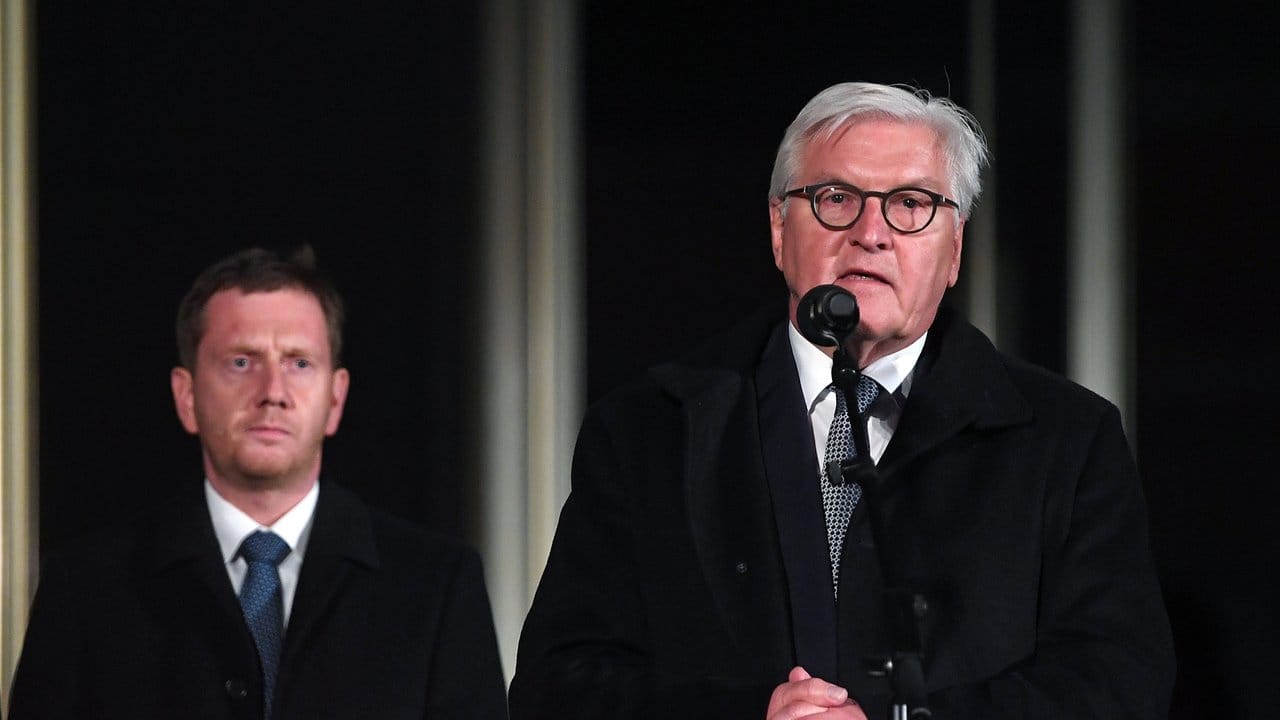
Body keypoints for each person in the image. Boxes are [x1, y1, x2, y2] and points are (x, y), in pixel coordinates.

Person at [508, 82, 1174, 719]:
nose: (872, 232)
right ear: (777, 226)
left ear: (955, 249)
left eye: (911, 204)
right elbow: (558, 688)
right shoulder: (650, 430)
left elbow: (1115, 685)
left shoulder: (1066, 439)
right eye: (835, 198)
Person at [9, 247, 508, 719]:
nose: (273, 392)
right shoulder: (85, 591)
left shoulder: (434, 586)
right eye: (241, 362)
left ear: (335, 399)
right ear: (187, 397)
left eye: (299, 363)